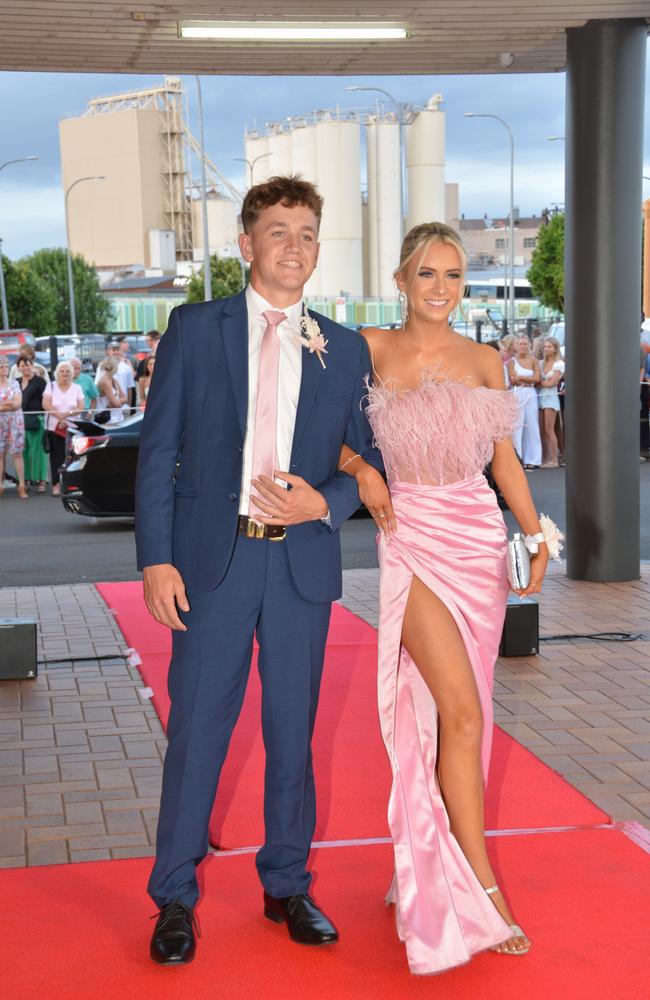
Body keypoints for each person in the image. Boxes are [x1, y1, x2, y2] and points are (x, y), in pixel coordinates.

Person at [136, 175, 381, 965]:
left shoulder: (344, 347)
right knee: (198, 734)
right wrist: (156, 559)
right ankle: (173, 895)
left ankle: (286, 884)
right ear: (247, 244)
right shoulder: (194, 328)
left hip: (301, 571)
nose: (295, 246)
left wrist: (326, 501)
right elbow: (160, 450)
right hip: (214, 564)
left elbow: (371, 460)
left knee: (292, 735)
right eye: (279, 231)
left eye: (308, 232)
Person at [335, 222, 549, 974]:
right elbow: (313, 427)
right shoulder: (366, 348)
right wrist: (363, 468)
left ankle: (423, 857)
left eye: (454, 276)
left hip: (476, 541)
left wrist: (536, 535)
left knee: (463, 716)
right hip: (412, 537)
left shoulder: (486, 359)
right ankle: (483, 886)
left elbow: (506, 468)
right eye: (428, 273)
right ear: (401, 279)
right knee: (454, 710)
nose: (441, 289)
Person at [42, 361, 84, 496]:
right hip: (54, 427)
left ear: (72, 374)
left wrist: (66, 417)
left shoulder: (77, 388)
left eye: (67, 371)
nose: (64, 373)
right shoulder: (51, 386)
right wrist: (60, 417)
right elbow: (46, 404)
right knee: (57, 457)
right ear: (57, 373)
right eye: (62, 371)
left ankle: (71, 484)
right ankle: (56, 484)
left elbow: (80, 407)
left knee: (73, 457)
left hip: (72, 427)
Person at [507, 335, 542, 468]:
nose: (523, 346)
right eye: (520, 344)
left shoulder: (533, 360)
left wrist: (521, 377)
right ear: (516, 346)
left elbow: (537, 378)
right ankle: (518, 457)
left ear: (529, 345)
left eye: (525, 344)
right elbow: (512, 380)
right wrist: (528, 378)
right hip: (517, 393)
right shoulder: (512, 361)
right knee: (518, 426)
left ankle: (533, 459)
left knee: (532, 424)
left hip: (530, 393)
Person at [16, 355, 48, 492]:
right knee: (23, 452)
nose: (25, 367)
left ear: (32, 365)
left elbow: (45, 400)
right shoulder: (15, 382)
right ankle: (25, 480)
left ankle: (41, 480)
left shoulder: (40, 381)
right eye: (22, 365)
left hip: (37, 419)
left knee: (39, 452)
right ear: (18, 368)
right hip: (19, 420)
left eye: (27, 364)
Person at [0, 356, 28, 498]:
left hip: (15, 422)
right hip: (0, 424)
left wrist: (4, 405)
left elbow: (17, 403)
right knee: (0, 455)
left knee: (17, 453)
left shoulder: (14, 384)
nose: (4, 368)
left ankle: (21, 486)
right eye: (1, 366)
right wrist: (8, 403)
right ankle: (0, 486)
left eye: (5, 365)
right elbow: (12, 403)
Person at [538, 336, 565, 467]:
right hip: (539, 397)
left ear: (555, 349)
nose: (546, 349)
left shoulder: (559, 364)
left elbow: (552, 383)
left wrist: (538, 382)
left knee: (549, 429)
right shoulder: (540, 363)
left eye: (549, 347)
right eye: (545, 346)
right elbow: (544, 382)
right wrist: (541, 383)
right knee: (542, 430)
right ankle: (546, 456)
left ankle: (554, 459)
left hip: (550, 397)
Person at [96, 341, 135, 416]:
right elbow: (99, 386)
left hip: (124, 408)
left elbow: (130, 388)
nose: (116, 352)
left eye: (118, 349)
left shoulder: (126, 367)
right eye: (113, 350)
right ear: (108, 351)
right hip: (108, 411)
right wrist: (116, 402)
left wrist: (128, 405)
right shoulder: (101, 367)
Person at [95, 357, 127, 424]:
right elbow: (116, 404)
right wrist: (119, 402)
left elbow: (125, 399)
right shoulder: (104, 381)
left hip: (118, 418)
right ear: (114, 368)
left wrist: (117, 402)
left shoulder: (114, 380)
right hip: (108, 420)